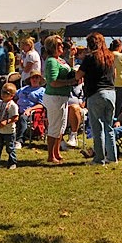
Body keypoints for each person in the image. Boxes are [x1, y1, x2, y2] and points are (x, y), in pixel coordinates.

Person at [75, 32, 117, 166]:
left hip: (96, 93)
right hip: (111, 92)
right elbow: (114, 75)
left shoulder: (90, 58)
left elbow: (78, 75)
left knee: (97, 128)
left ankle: (99, 159)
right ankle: (112, 157)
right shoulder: (110, 56)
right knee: (109, 127)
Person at [42, 34, 77, 164]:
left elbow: (69, 71)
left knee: (61, 126)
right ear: (53, 47)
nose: (62, 46)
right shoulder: (51, 61)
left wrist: (72, 57)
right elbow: (53, 82)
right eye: (59, 44)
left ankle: (57, 151)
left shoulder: (60, 60)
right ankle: (51, 155)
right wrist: (69, 82)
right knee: (54, 126)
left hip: (62, 97)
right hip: (54, 97)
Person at [0, 82, 20, 169]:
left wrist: (6, 122)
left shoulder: (13, 106)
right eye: (2, 92)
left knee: (10, 148)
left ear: (12, 95)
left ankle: (12, 163)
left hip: (9, 131)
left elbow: (16, 118)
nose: (3, 94)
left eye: (6, 93)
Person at [14, 71, 45, 148]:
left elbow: (41, 105)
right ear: (30, 79)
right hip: (16, 109)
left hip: (29, 112)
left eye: (36, 77)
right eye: (33, 77)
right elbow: (13, 94)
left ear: (40, 79)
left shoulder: (42, 90)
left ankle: (20, 141)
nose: (34, 79)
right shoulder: (23, 89)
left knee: (22, 117)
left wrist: (30, 109)